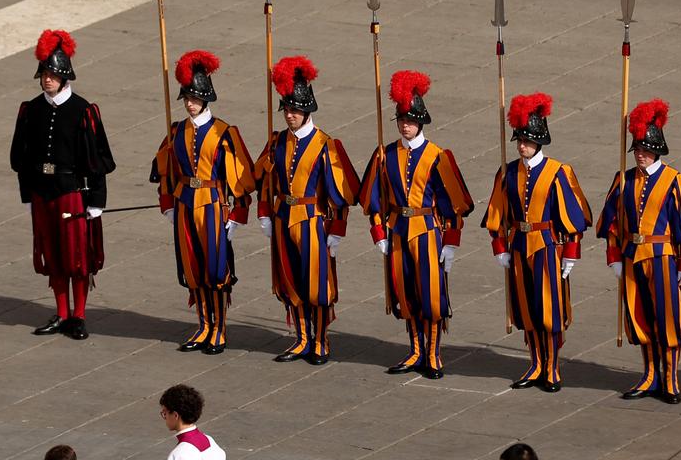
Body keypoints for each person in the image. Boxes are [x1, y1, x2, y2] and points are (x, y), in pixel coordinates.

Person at [356, 70, 474, 379]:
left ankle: (433, 354)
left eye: (409, 120)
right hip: (398, 230)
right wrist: (379, 232)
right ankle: (415, 350)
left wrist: (451, 242)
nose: (404, 125)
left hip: (427, 232)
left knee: (430, 296)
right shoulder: (385, 155)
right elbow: (374, 199)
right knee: (406, 294)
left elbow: (453, 204)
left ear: (420, 122)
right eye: (401, 120)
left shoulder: (437, 156)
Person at [595, 100, 681, 404]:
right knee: (641, 318)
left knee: (668, 319)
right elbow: (612, 223)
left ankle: (670, 379)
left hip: (663, 258)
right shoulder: (624, 179)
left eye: (645, 149)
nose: (640, 154)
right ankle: (649, 375)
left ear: (657, 150)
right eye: (637, 149)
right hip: (632, 256)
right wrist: (614, 257)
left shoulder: (675, 181)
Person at [10, 28, 117, 341]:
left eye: (53, 75)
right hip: (42, 193)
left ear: (65, 77)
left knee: (77, 258)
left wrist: (96, 202)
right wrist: (27, 194)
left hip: (72, 193)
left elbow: (97, 161)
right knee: (53, 255)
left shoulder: (83, 111)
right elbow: (21, 157)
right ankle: (61, 312)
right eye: (44, 75)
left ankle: (79, 315)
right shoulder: (31, 110)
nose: (47, 80)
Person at [482, 93, 590, 392]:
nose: (522, 146)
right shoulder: (507, 172)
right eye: (519, 140)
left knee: (549, 310)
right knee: (526, 309)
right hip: (519, 245)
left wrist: (571, 253)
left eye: (527, 141)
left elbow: (573, 216)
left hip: (547, 246)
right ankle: (536, 363)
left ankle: (552, 366)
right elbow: (498, 213)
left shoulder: (557, 172)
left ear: (539, 141)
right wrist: (500, 247)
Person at [151, 50, 257, 354]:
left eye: (195, 98)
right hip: (185, 204)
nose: (190, 103)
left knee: (215, 271)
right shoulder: (176, 131)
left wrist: (237, 215)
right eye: (187, 97)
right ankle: (203, 326)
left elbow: (240, 178)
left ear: (206, 98)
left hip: (213, 206)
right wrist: (167, 204)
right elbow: (166, 172)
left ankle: (219, 329)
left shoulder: (224, 133)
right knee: (193, 269)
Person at [256, 56, 359, 365]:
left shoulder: (326, 145)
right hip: (283, 218)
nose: (290, 115)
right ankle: (301, 338)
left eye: (295, 111)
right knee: (290, 283)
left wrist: (337, 230)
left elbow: (340, 194)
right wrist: (264, 212)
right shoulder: (277, 142)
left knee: (316, 285)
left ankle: (320, 340)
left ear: (307, 111)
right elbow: (265, 181)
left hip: (313, 223)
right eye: (287, 110)